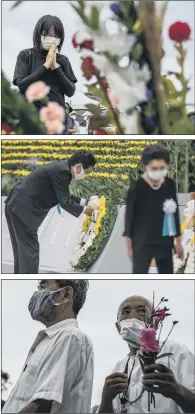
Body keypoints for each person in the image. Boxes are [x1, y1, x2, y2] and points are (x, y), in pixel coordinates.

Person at [2, 279, 94, 414]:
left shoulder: (69, 337)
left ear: (66, 295)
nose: (36, 294)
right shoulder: (51, 339)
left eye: (43, 286)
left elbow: (41, 404)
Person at [99, 295, 195, 413]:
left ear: (156, 323)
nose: (133, 315)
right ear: (118, 327)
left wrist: (177, 391)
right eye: (126, 312)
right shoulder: (118, 367)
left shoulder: (178, 353)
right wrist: (106, 399)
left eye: (141, 311)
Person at [4, 150, 97, 274]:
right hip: (23, 209)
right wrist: (87, 211)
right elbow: (65, 202)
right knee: (29, 252)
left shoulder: (61, 168)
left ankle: (20, 278)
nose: (86, 174)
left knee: (22, 253)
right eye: (87, 171)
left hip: (15, 205)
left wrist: (85, 202)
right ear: (78, 167)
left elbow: (63, 195)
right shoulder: (63, 172)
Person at [123, 144, 184, 274]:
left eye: (162, 167)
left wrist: (178, 241)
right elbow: (129, 220)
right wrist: (129, 247)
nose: (158, 171)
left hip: (165, 242)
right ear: (146, 167)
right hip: (142, 244)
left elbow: (175, 214)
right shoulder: (137, 187)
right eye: (154, 168)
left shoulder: (170, 184)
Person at [13, 15, 77, 114]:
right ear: (39, 34)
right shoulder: (26, 55)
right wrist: (45, 66)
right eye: (47, 34)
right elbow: (21, 85)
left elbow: (70, 91)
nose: (51, 39)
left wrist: (56, 67)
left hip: (56, 119)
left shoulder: (63, 60)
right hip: (31, 117)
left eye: (55, 36)